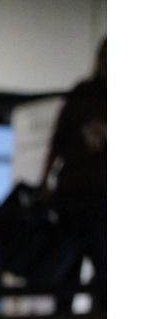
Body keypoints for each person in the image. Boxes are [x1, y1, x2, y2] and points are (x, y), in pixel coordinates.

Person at [41, 37, 106, 301]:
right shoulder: (83, 95)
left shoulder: (84, 95)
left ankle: (97, 315)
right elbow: (58, 142)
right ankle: (69, 315)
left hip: (98, 195)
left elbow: (57, 143)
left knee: (103, 264)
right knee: (69, 263)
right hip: (76, 193)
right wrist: (46, 181)